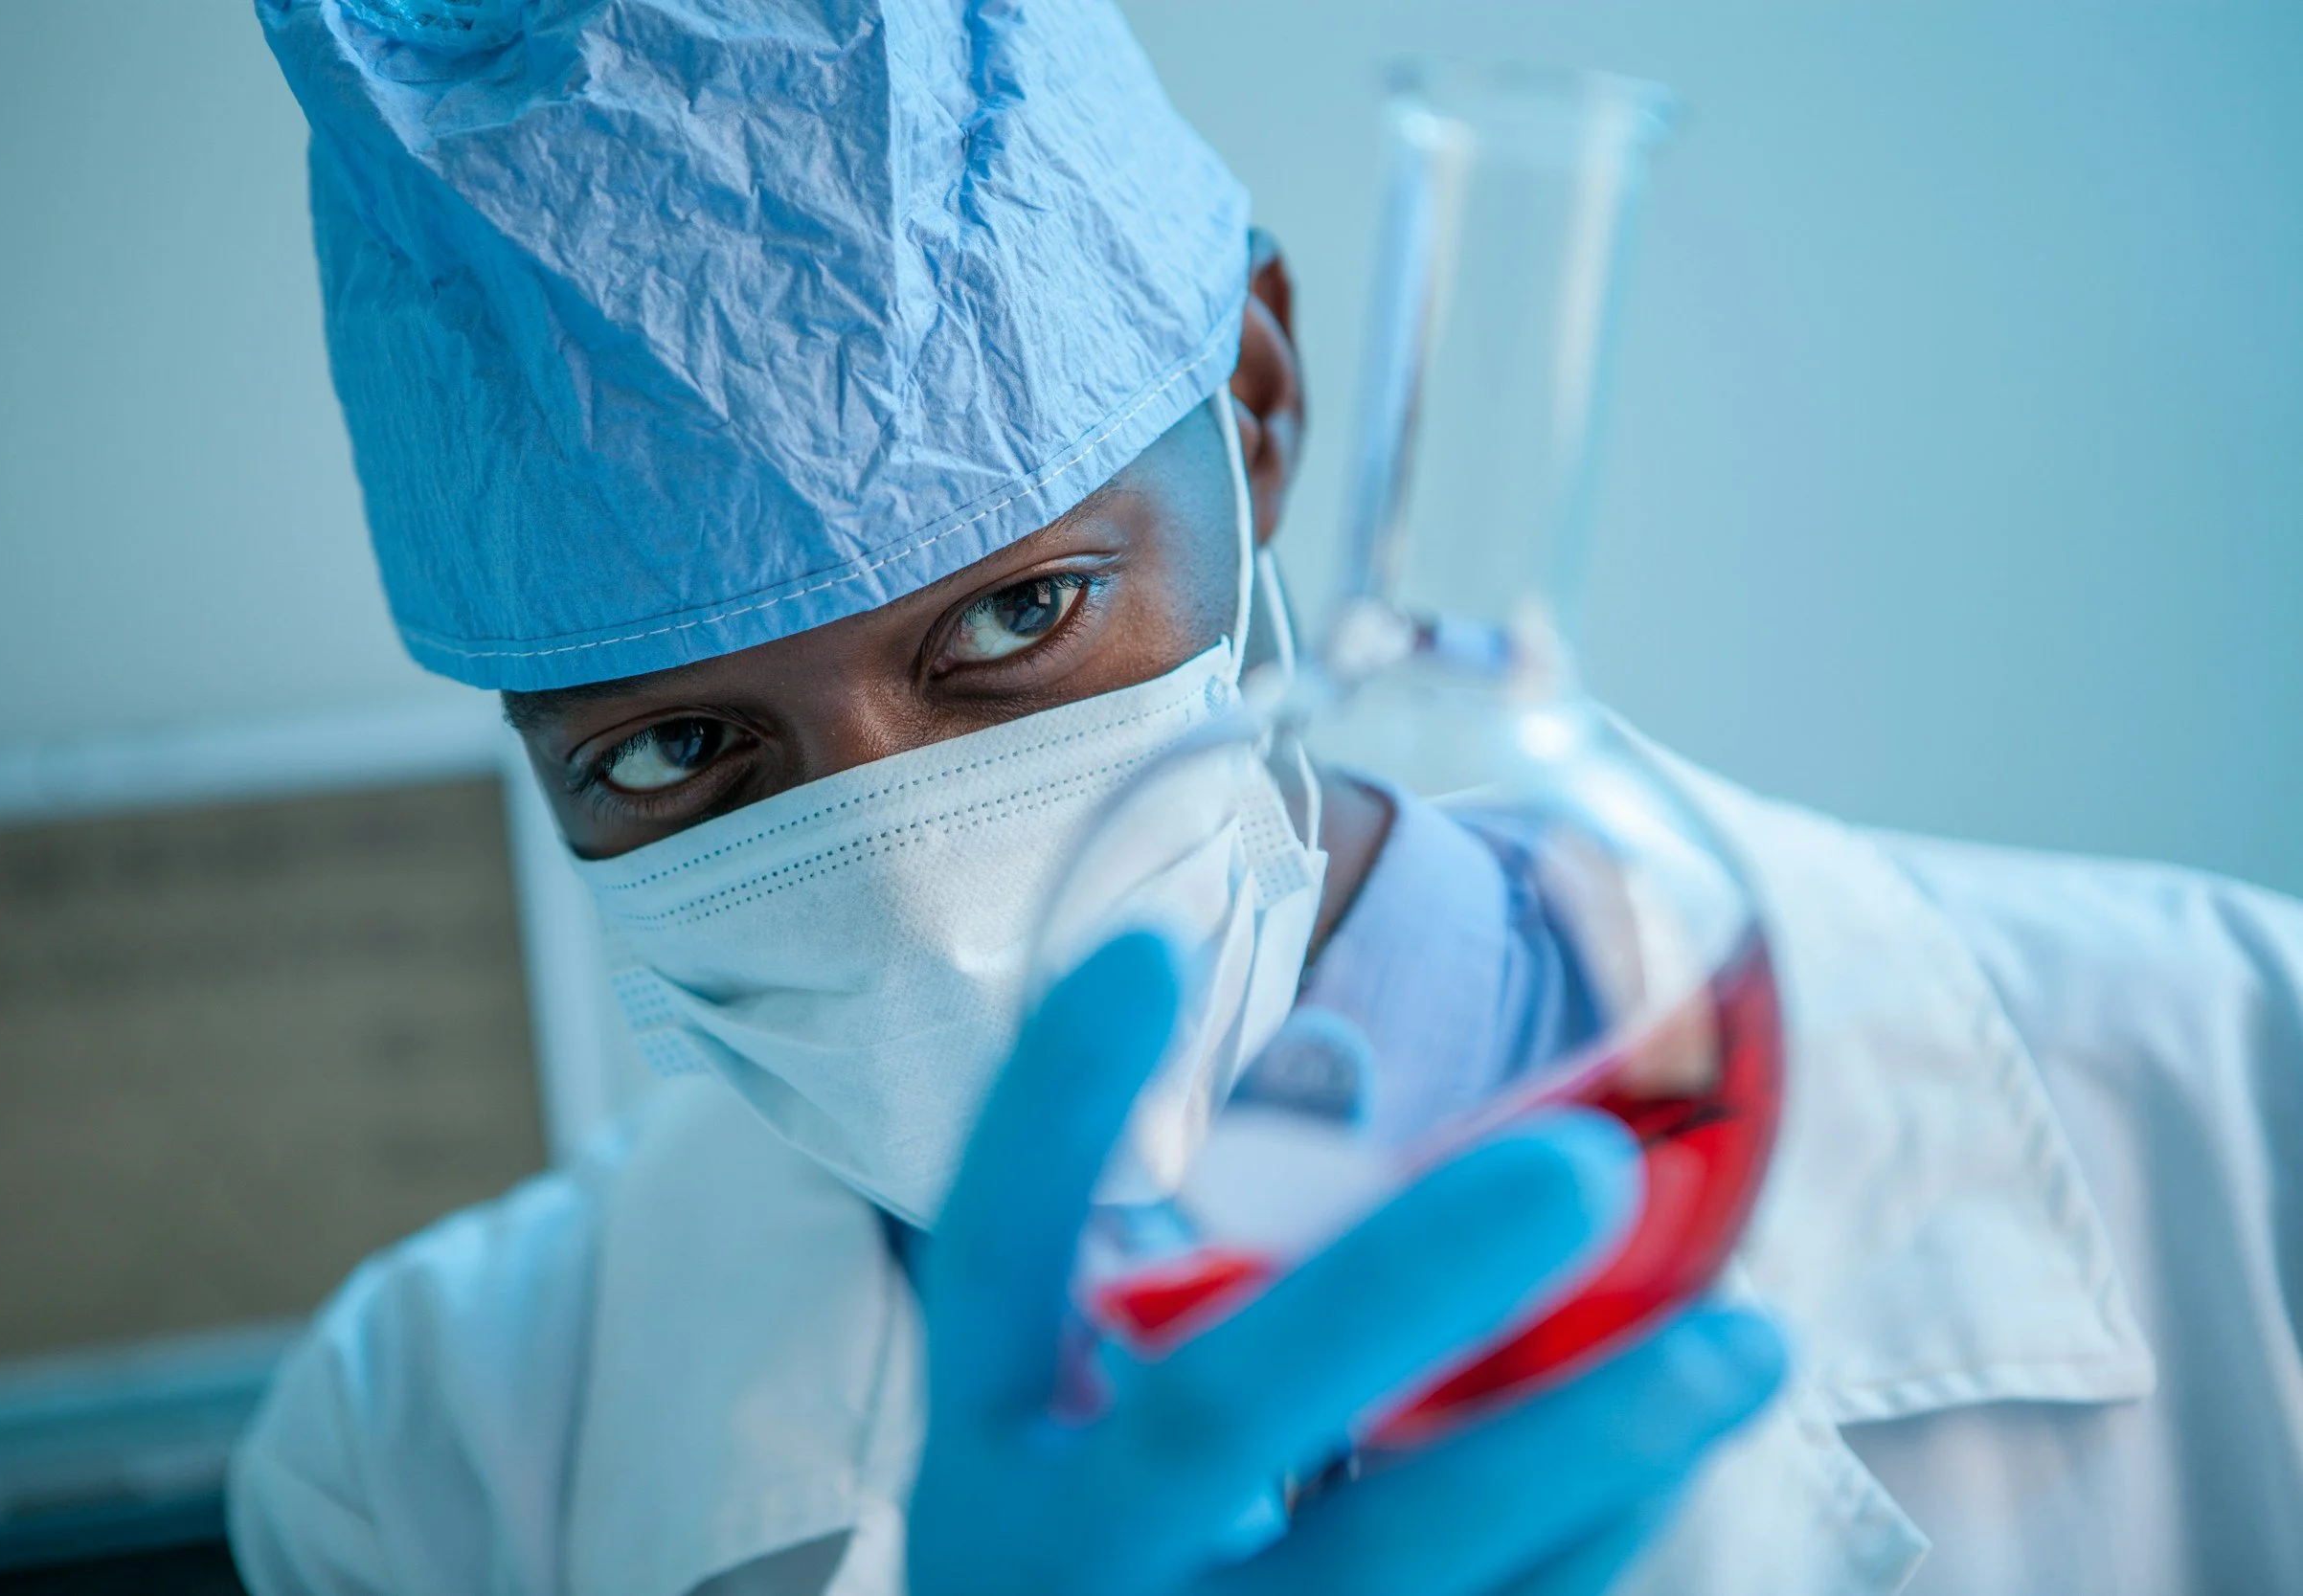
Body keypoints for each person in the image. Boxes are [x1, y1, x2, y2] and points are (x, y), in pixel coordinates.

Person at [232, 2, 2303, 1593]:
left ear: (1259, 405)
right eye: (672, 749)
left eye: (1016, 613)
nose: (910, 897)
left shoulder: (2239, 1089)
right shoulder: (429, 1451)